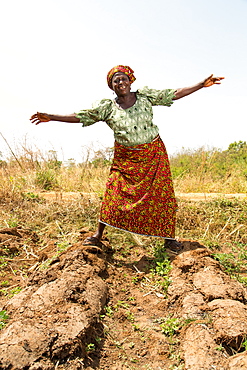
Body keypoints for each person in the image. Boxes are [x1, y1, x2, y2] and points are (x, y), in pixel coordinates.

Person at [30, 65, 224, 253]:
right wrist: (52, 117)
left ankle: (168, 238)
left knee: (162, 196)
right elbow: (81, 116)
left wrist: (200, 84)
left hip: (153, 155)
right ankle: (98, 234)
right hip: (125, 160)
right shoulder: (107, 108)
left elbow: (174, 93)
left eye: (123, 78)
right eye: (116, 81)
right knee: (112, 193)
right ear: (111, 86)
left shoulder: (145, 96)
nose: (120, 82)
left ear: (131, 81)